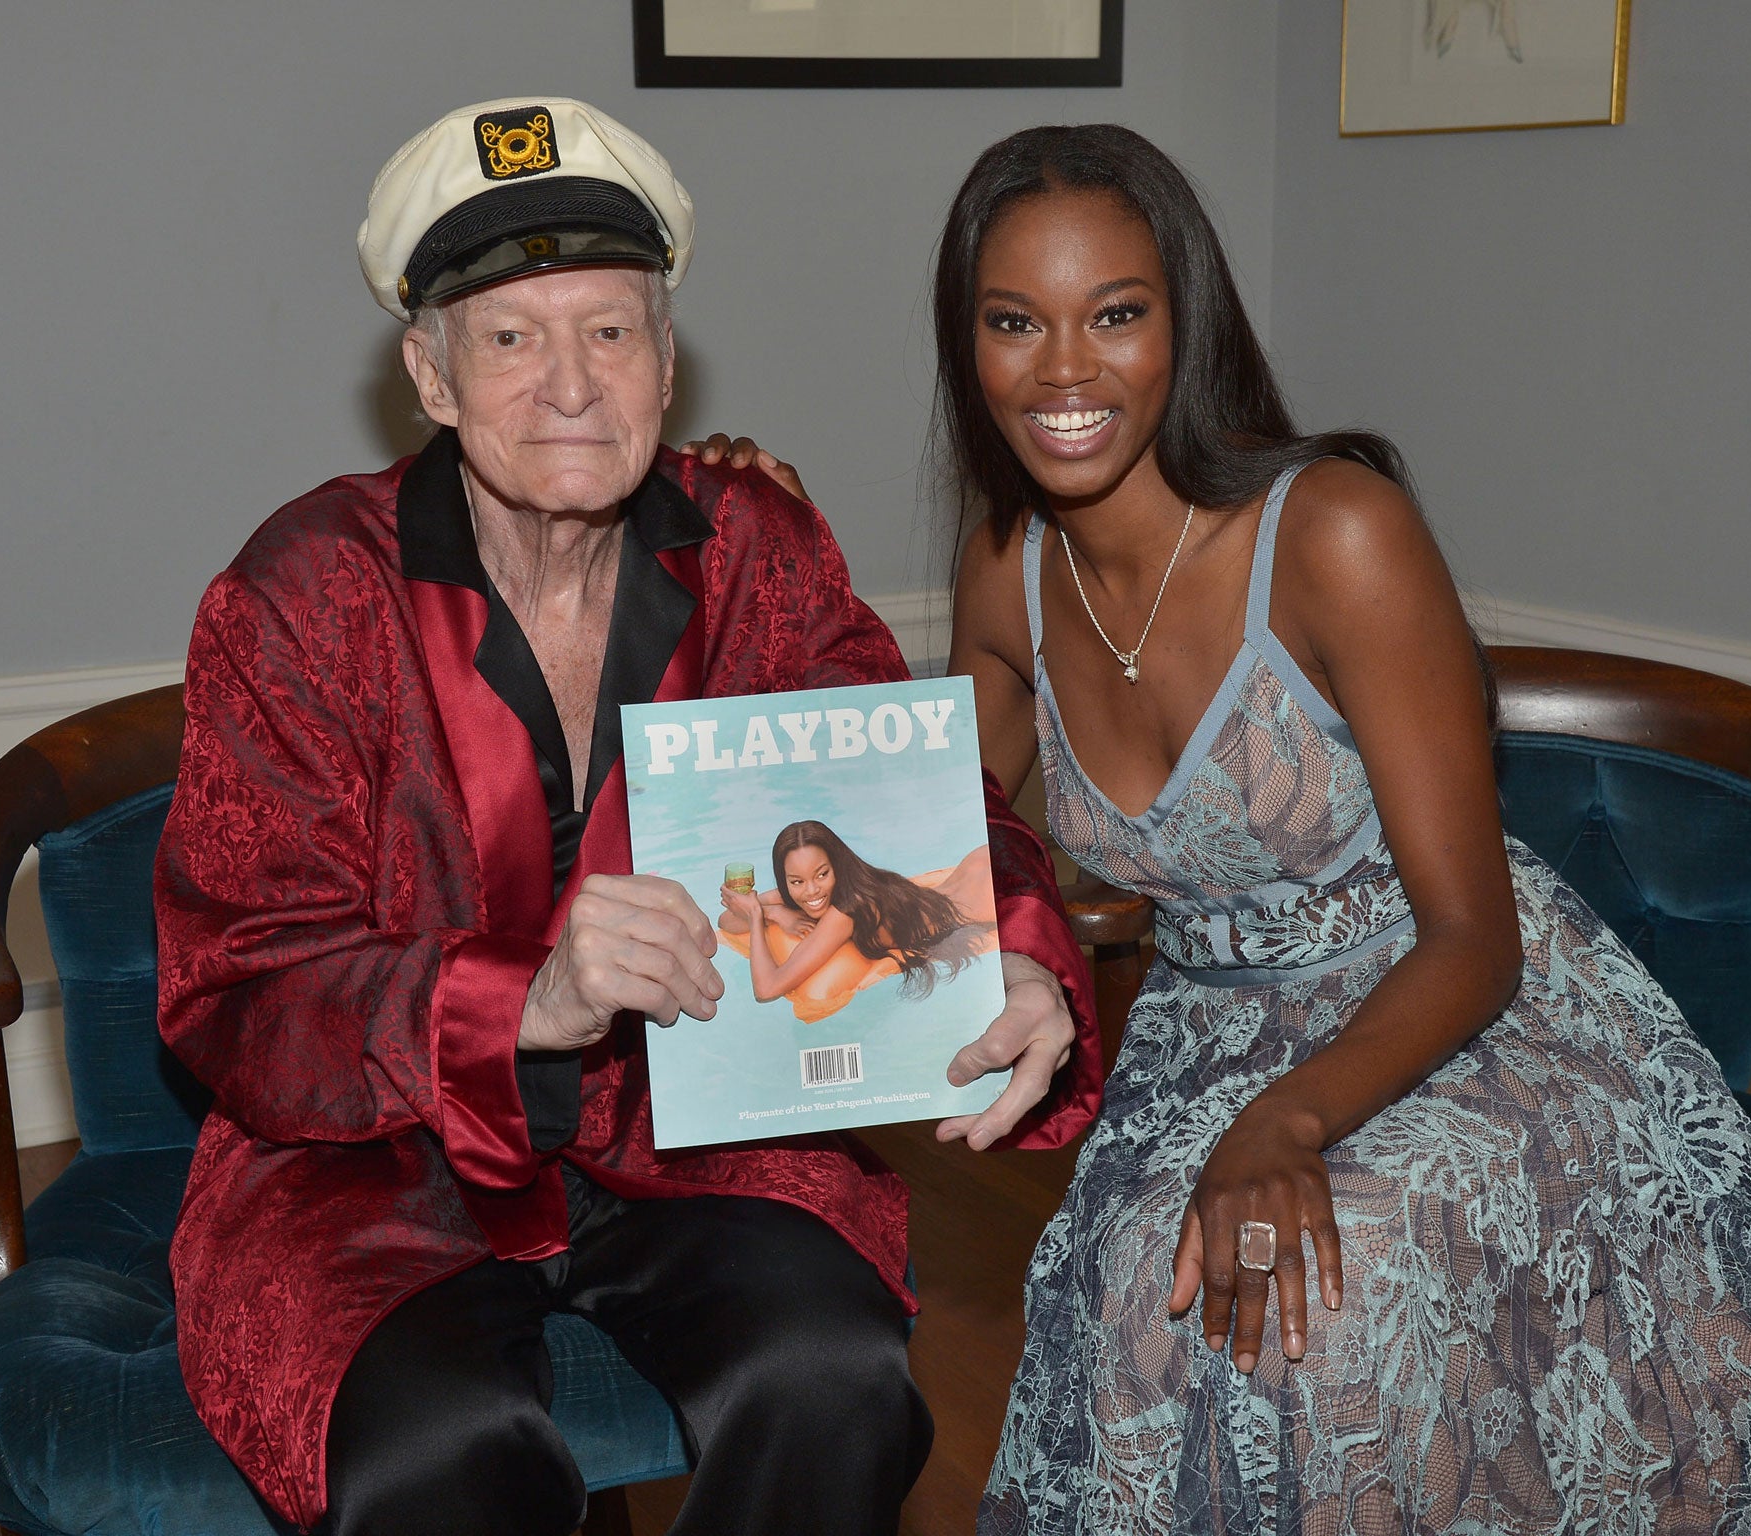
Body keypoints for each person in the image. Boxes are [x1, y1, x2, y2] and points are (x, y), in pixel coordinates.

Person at [925, 123, 1751, 1533]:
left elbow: (1476, 938)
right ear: (968, 344)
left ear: (1183, 322)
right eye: (1015, 322)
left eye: (1119, 315)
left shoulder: (1333, 529)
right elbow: (916, 837)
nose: (1066, 371)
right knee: (1158, 1295)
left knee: (1330, 1304)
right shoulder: (1003, 571)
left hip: (1468, 1026)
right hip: (1203, 1036)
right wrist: (729, 534)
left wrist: (1288, 1119)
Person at [153, 97, 1101, 1536]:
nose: (572, 385)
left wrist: (1011, 944)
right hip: (369, 1167)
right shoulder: (297, 599)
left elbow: (916, 808)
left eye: (610, 329)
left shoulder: (757, 549)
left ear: (667, 359)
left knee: (834, 1376)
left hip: (694, 1115)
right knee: (438, 1448)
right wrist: (515, 997)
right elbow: (234, 985)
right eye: (512, 336)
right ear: (433, 374)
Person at [718, 820, 994, 1011]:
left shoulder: (845, 913)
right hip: (963, 878)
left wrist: (756, 916)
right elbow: (727, 922)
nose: (811, 891)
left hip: (982, 898)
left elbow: (766, 990)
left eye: (822, 874)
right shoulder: (805, 892)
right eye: (796, 882)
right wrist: (776, 913)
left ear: (836, 866)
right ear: (786, 880)